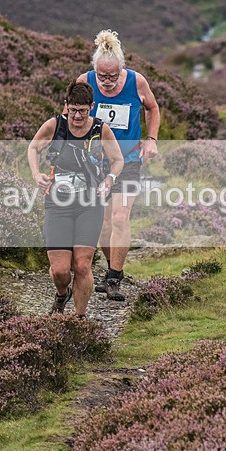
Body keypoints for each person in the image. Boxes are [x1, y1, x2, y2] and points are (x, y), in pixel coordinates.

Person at [69, 29, 160, 301]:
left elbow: (152, 108)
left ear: (121, 68)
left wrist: (151, 139)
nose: (106, 82)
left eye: (112, 75)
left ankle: (114, 279)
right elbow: (71, 113)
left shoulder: (136, 81)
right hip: (94, 164)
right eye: (101, 76)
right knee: (105, 224)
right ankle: (111, 267)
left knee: (120, 217)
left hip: (129, 160)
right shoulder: (84, 81)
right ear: (94, 70)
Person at [28, 81, 123, 316]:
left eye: (82, 110)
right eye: (73, 110)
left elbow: (117, 159)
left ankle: (79, 318)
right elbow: (33, 148)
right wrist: (36, 173)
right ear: (66, 106)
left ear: (92, 106)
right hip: (58, 204)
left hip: (89, 204)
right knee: (60, 271)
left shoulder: (101, 129)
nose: (77, 116)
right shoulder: (54, 125)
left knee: (82, 265)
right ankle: (62, 294)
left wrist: (109, 179)